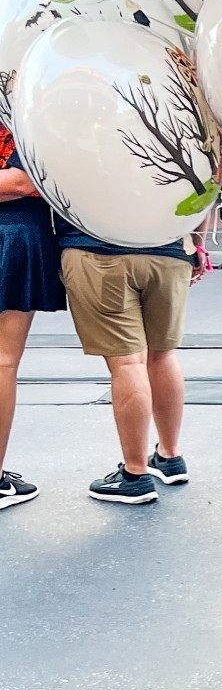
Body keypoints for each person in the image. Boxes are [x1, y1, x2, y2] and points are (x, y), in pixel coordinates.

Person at [55, 201, 202, 505]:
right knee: (163, 354)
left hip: (98, 249)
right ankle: (170, 456)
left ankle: (135, 475)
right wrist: (196, 243)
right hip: (170, 250)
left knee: (128, 363)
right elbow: (207, 183)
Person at [0, 134, 65, 511]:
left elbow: (21, 182)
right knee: (4, 362)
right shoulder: (27, 114)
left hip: (16, 236)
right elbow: (26, 182)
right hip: (17, 234)